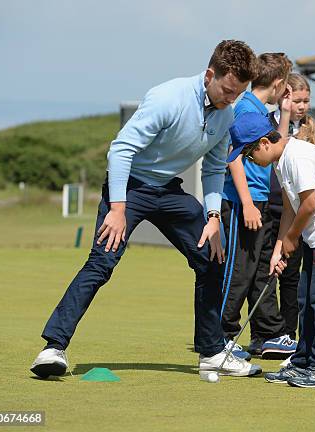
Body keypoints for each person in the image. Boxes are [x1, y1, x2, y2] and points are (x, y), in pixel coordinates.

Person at [30, 40, 262, 379]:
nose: (231, 99)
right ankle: (53, 347)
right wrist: (117, 208)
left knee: (213, 257)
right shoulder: (167, 98)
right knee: (102, 262)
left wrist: (213, 217)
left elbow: (213, 168)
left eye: (238, 94)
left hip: (168, 191)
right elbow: (121, 151)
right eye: (227, 90)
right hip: (129, 188)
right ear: (210, 74)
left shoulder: (225, 115)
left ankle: (212, 352)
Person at [226, 112, 315, 388]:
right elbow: (291, 206)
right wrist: (280, 246)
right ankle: (302, 362)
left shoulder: (296, 157)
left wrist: (291, 239)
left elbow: (310, 204)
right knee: (305, 296)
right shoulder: (280, 161)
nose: (250, 159)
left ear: (265, 142)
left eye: (250, 152)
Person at [219, 53, 298, 360]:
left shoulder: (261, 111)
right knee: (238, 271)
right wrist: (248, 204)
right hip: (243, 202)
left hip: (260, 199)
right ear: (278, 83)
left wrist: (285, 113)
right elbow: (234, 155)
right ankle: (222, 336)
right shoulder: (246, 110)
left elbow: (277, 146)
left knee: (262, 269)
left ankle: (268, 334)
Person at [267, 73, 315, 343]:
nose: (303, 106)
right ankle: (268, 331)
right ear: (285, 97)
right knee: (268, 271)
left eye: (307, 101)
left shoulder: (313, 129)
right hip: (270, 205)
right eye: (297, 100)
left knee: (293, 277)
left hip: (302, 210)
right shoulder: (269, 124)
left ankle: (288, 332)